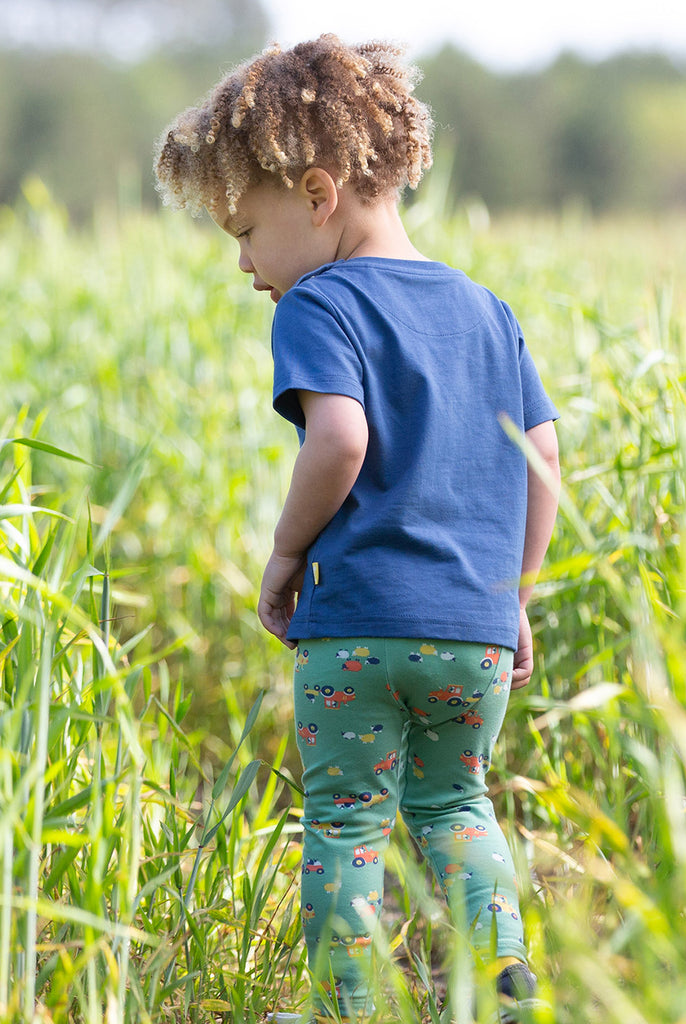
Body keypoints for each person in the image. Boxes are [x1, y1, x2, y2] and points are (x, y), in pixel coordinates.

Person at [154, 34, 560, 1024]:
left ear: (321, 192)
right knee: (457, 808)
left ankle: (351, 1006)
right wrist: (514, 592)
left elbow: (338, 440)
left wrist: (288, 553)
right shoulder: (486, 309)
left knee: (345, 817)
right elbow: (544, 455)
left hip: (359, 625)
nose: (248, 264)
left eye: (247, 230)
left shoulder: (322, 300)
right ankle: (508, 998)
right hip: (471, 632)